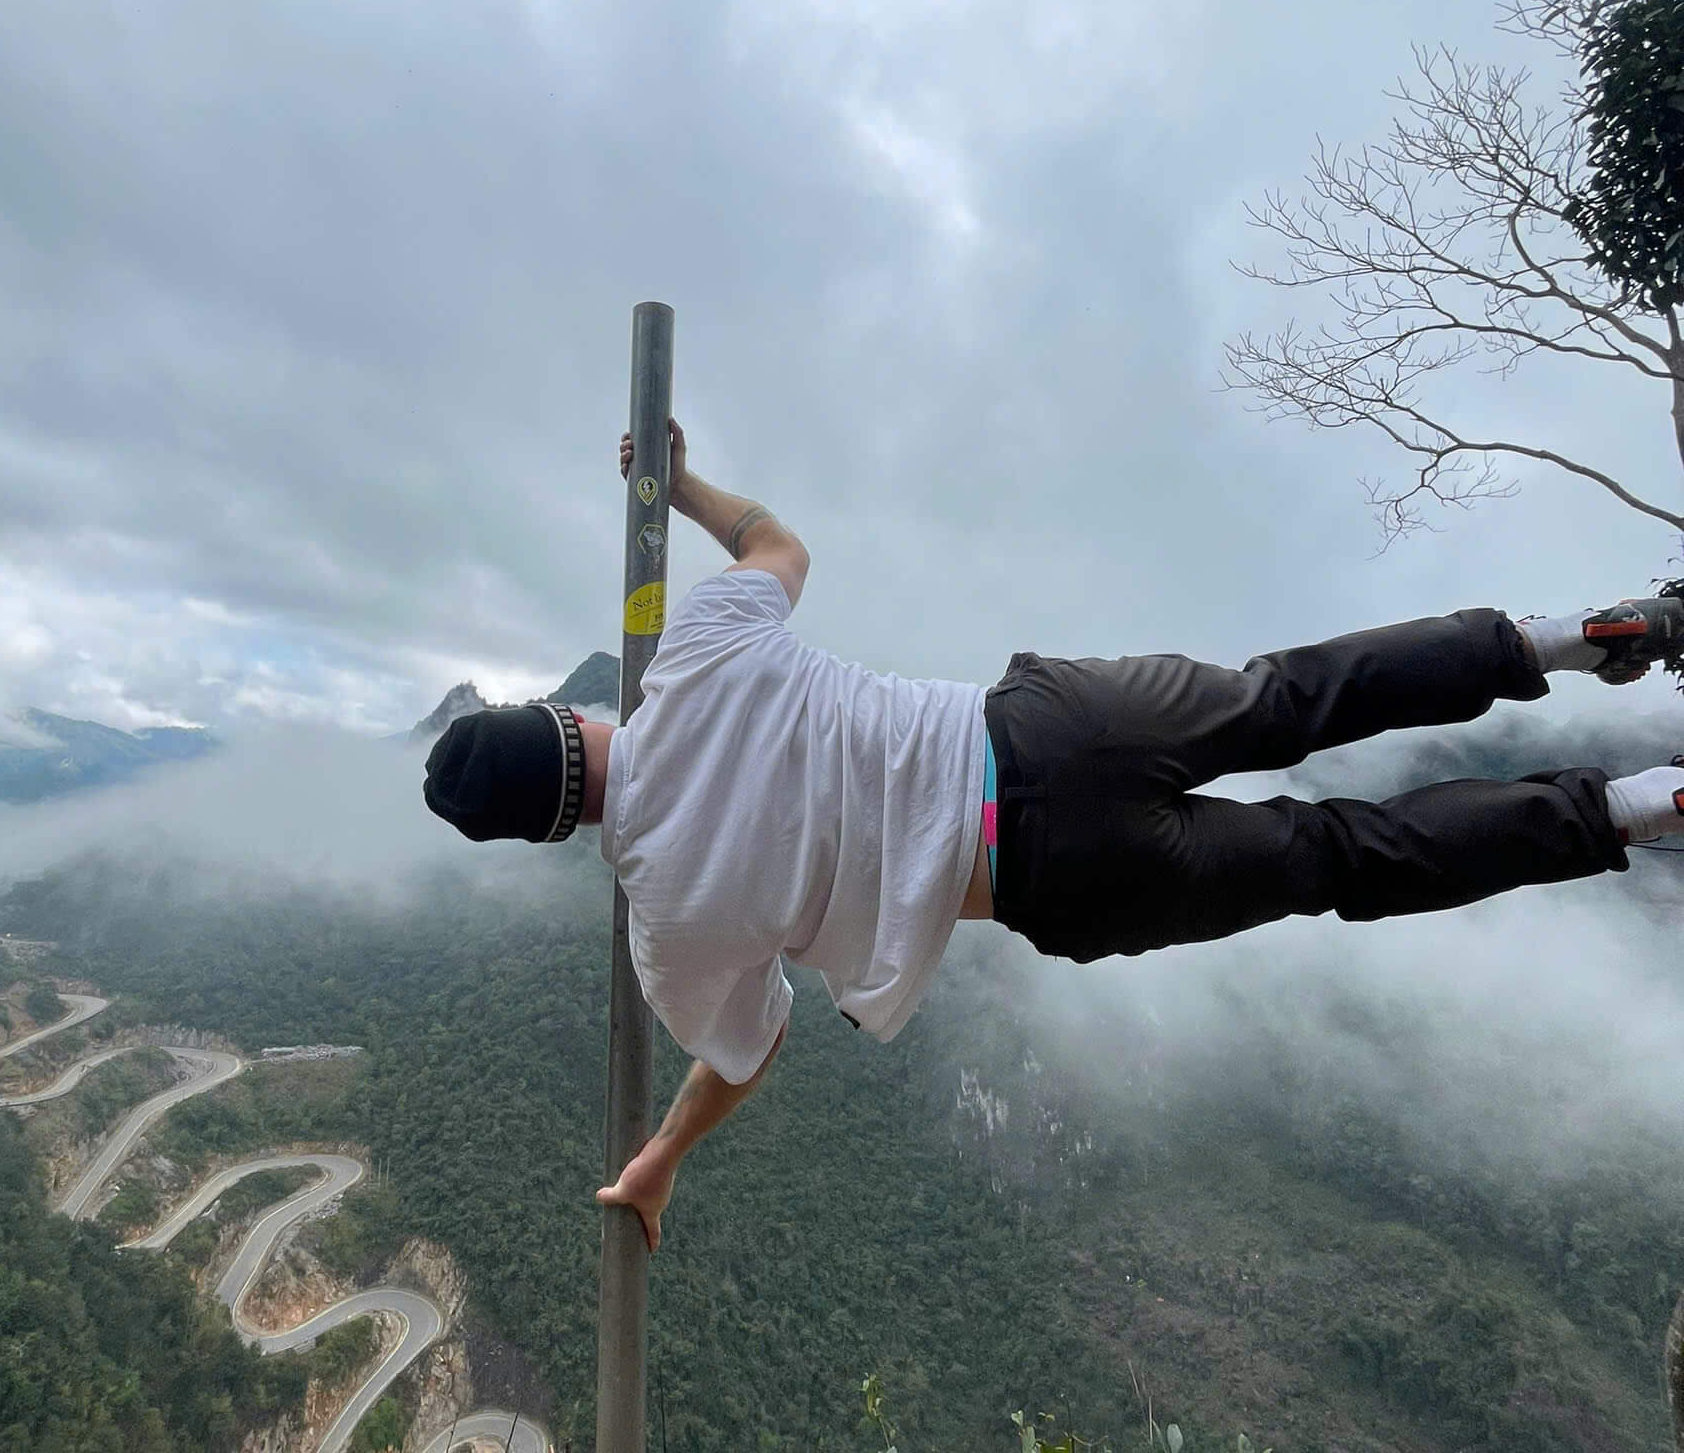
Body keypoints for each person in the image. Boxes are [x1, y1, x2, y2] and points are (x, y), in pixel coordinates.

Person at [422, 422, 1684, 1251]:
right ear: (568, 714)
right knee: (1291, 693)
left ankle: (1635, 807)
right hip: (1051, 730)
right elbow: (778, 544)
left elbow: (745, 1054)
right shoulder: (691, 661)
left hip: (1053, 878)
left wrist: (660, 1155)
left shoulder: (669, 932)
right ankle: (1566, 634)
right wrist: (681, 482)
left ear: (538, 836)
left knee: (1337, 856)